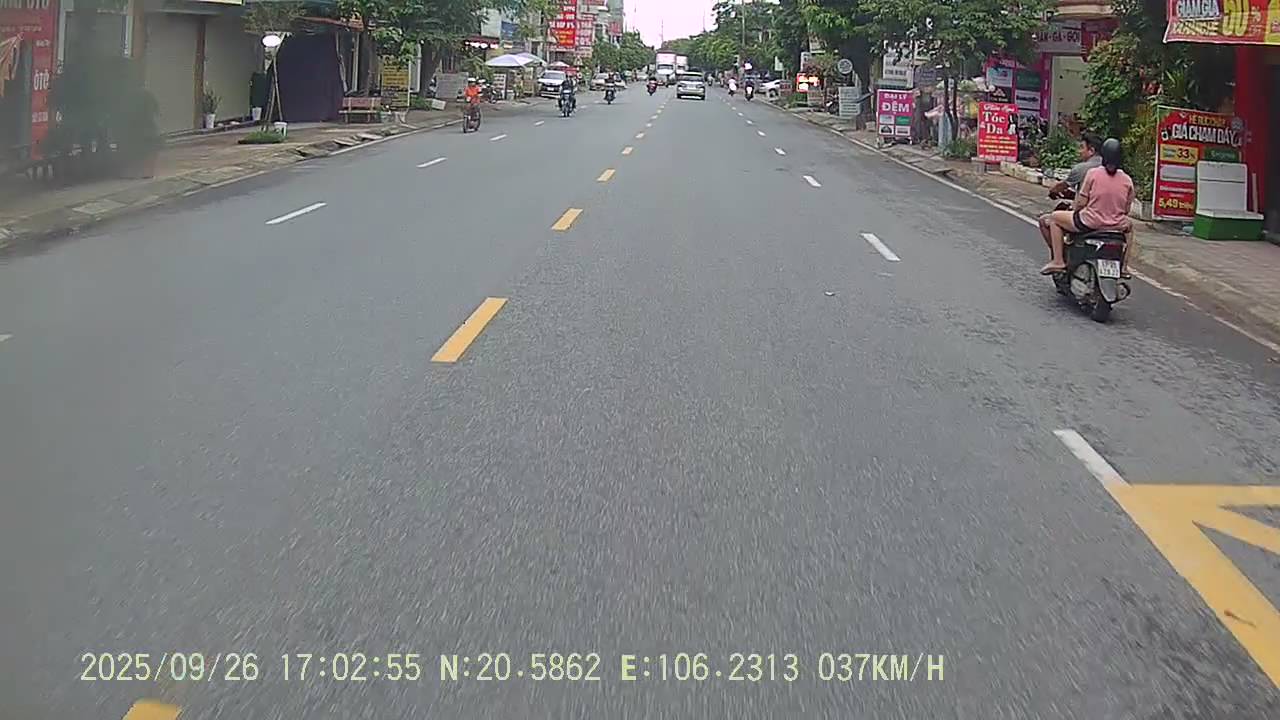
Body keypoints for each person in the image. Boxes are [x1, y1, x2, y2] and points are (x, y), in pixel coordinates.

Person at [1041, 138, 1134, 275]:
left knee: (1054, 218)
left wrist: (1076, 211)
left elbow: (1081, 203)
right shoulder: (1127, 180)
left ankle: (1058, 261)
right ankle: (1124, 266)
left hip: (1090, 222)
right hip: (1116, 225)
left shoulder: (1093, 174)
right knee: (1130, 228)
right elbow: (1126, 209)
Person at [1038, 133, 1103, 258]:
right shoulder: (1118, 173)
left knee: (1049, 220)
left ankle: (1059, 259)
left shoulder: (1083, 169)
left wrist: (1053, 190)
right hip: (1112, 219)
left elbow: (1065, 189)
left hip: (1087, 218)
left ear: (1091, 150)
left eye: (1081, 147)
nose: (1079, 151)